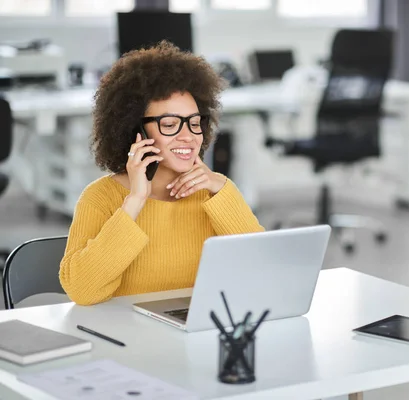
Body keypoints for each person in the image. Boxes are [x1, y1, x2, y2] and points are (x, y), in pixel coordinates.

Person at [59, 41, 264, 306]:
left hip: (199, 333)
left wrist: (221, 190)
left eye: (194, 123)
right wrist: (134, 201)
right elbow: (82, 291)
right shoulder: (101, 197)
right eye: (169, 124)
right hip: (129, 340)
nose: (188, 136)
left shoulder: (215, 191)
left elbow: (261, 270)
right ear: (136, 131)